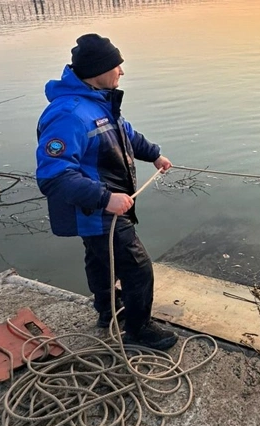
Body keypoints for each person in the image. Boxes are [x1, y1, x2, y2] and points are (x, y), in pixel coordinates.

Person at [35, 33, 177, 351]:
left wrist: (154, 154)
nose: (122, 72)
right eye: (117, 65)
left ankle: (108, 311)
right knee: (137, 267)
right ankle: (139, 329)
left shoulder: (98, 101)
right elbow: (54, 176)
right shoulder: (68, 114)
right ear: (99, 69)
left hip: (107, 208)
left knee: (101, 261)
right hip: (96, 212)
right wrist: (105, 199)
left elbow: (125, 134)